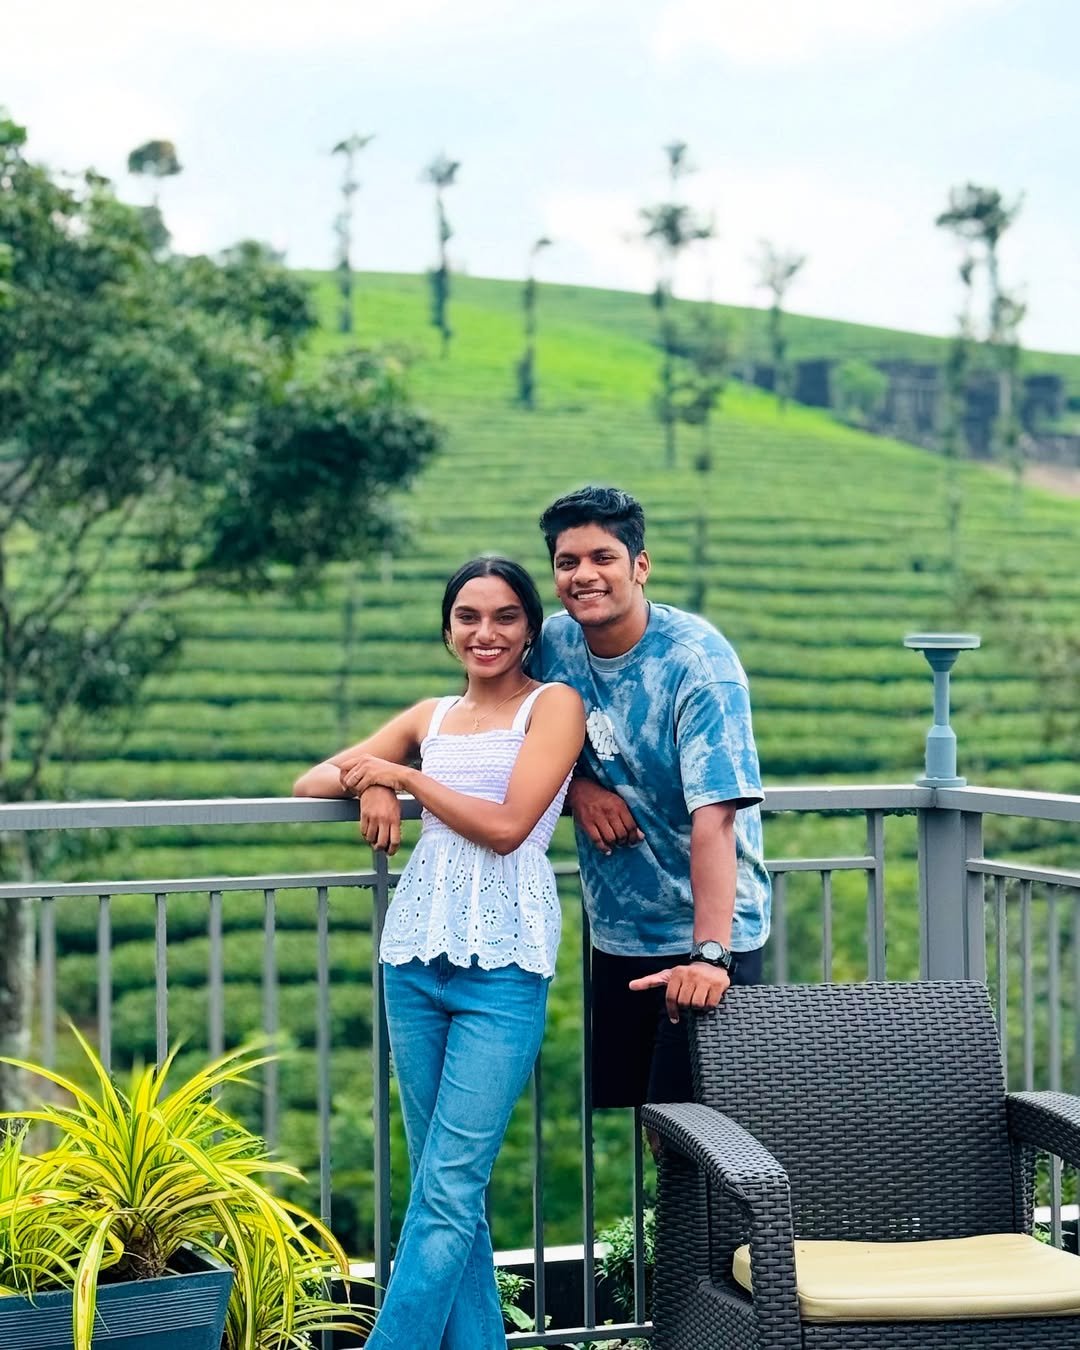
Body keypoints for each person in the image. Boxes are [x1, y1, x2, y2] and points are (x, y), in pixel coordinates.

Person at [293, 556, 585, 1350]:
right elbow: (312, 781)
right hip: (415, 958)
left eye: (504, 617)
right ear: (448, 628)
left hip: (506, 965)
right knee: (442, 1187)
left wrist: (405, 780)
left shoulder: (554, 705)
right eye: (468, 616)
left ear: (530, 629)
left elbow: (508, 828)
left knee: (450, 1188)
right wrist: (373, 785)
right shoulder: (431, 715)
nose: (485, 632)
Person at [532, 485, 770, 1111]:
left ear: (640, 566)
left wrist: (711, 957)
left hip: (708, 932)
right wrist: (577, 788)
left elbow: (716, 819)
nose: (584, 575)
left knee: (705, 1131)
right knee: (647, 1118)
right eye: (567, 562)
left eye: (603, 558)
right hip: (620, 932)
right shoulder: (554, 645)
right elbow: (505, 743)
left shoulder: (698, 664)